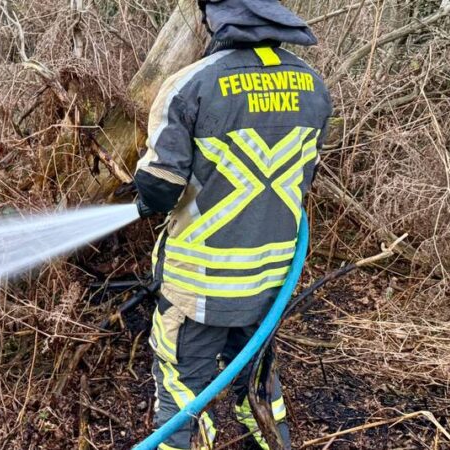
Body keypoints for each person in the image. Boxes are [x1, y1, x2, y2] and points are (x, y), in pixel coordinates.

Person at [134, 0, 332, 448]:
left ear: (214, 18)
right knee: (259, 381)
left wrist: (140, 192)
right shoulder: (313, 86)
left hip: (198, 286)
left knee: (181, 395)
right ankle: (272, 440)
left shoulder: (189, 85)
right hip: (270, 280)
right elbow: (305, 177)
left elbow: (160, 187)